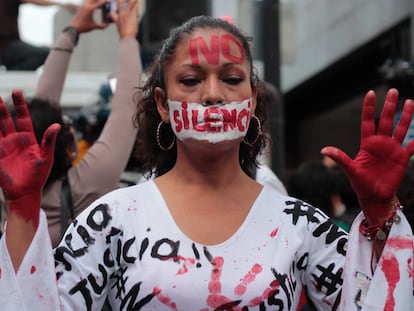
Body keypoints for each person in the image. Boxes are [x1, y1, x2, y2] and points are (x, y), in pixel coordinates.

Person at [0, 15, 413, 311]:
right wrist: (21, 209)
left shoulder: (300, 225)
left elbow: (373, 298)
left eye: (231, 80)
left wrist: (380, 214)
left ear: (251, 100)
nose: (212, 95)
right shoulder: (111, 218)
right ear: (163, 104)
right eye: (191, 80)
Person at [0, 0, 142, 247]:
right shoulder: (85, 187)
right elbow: (125, 110)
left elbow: (41, 114)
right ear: (70, 150)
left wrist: (72, 30)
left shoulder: (7, 193)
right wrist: (128, 36)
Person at [0, 0, 78, 71]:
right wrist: (61, 5)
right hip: (5, 45)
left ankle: (10, 77)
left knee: (44, 53)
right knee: (44, 54)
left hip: (7, 47)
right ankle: (13, 78)